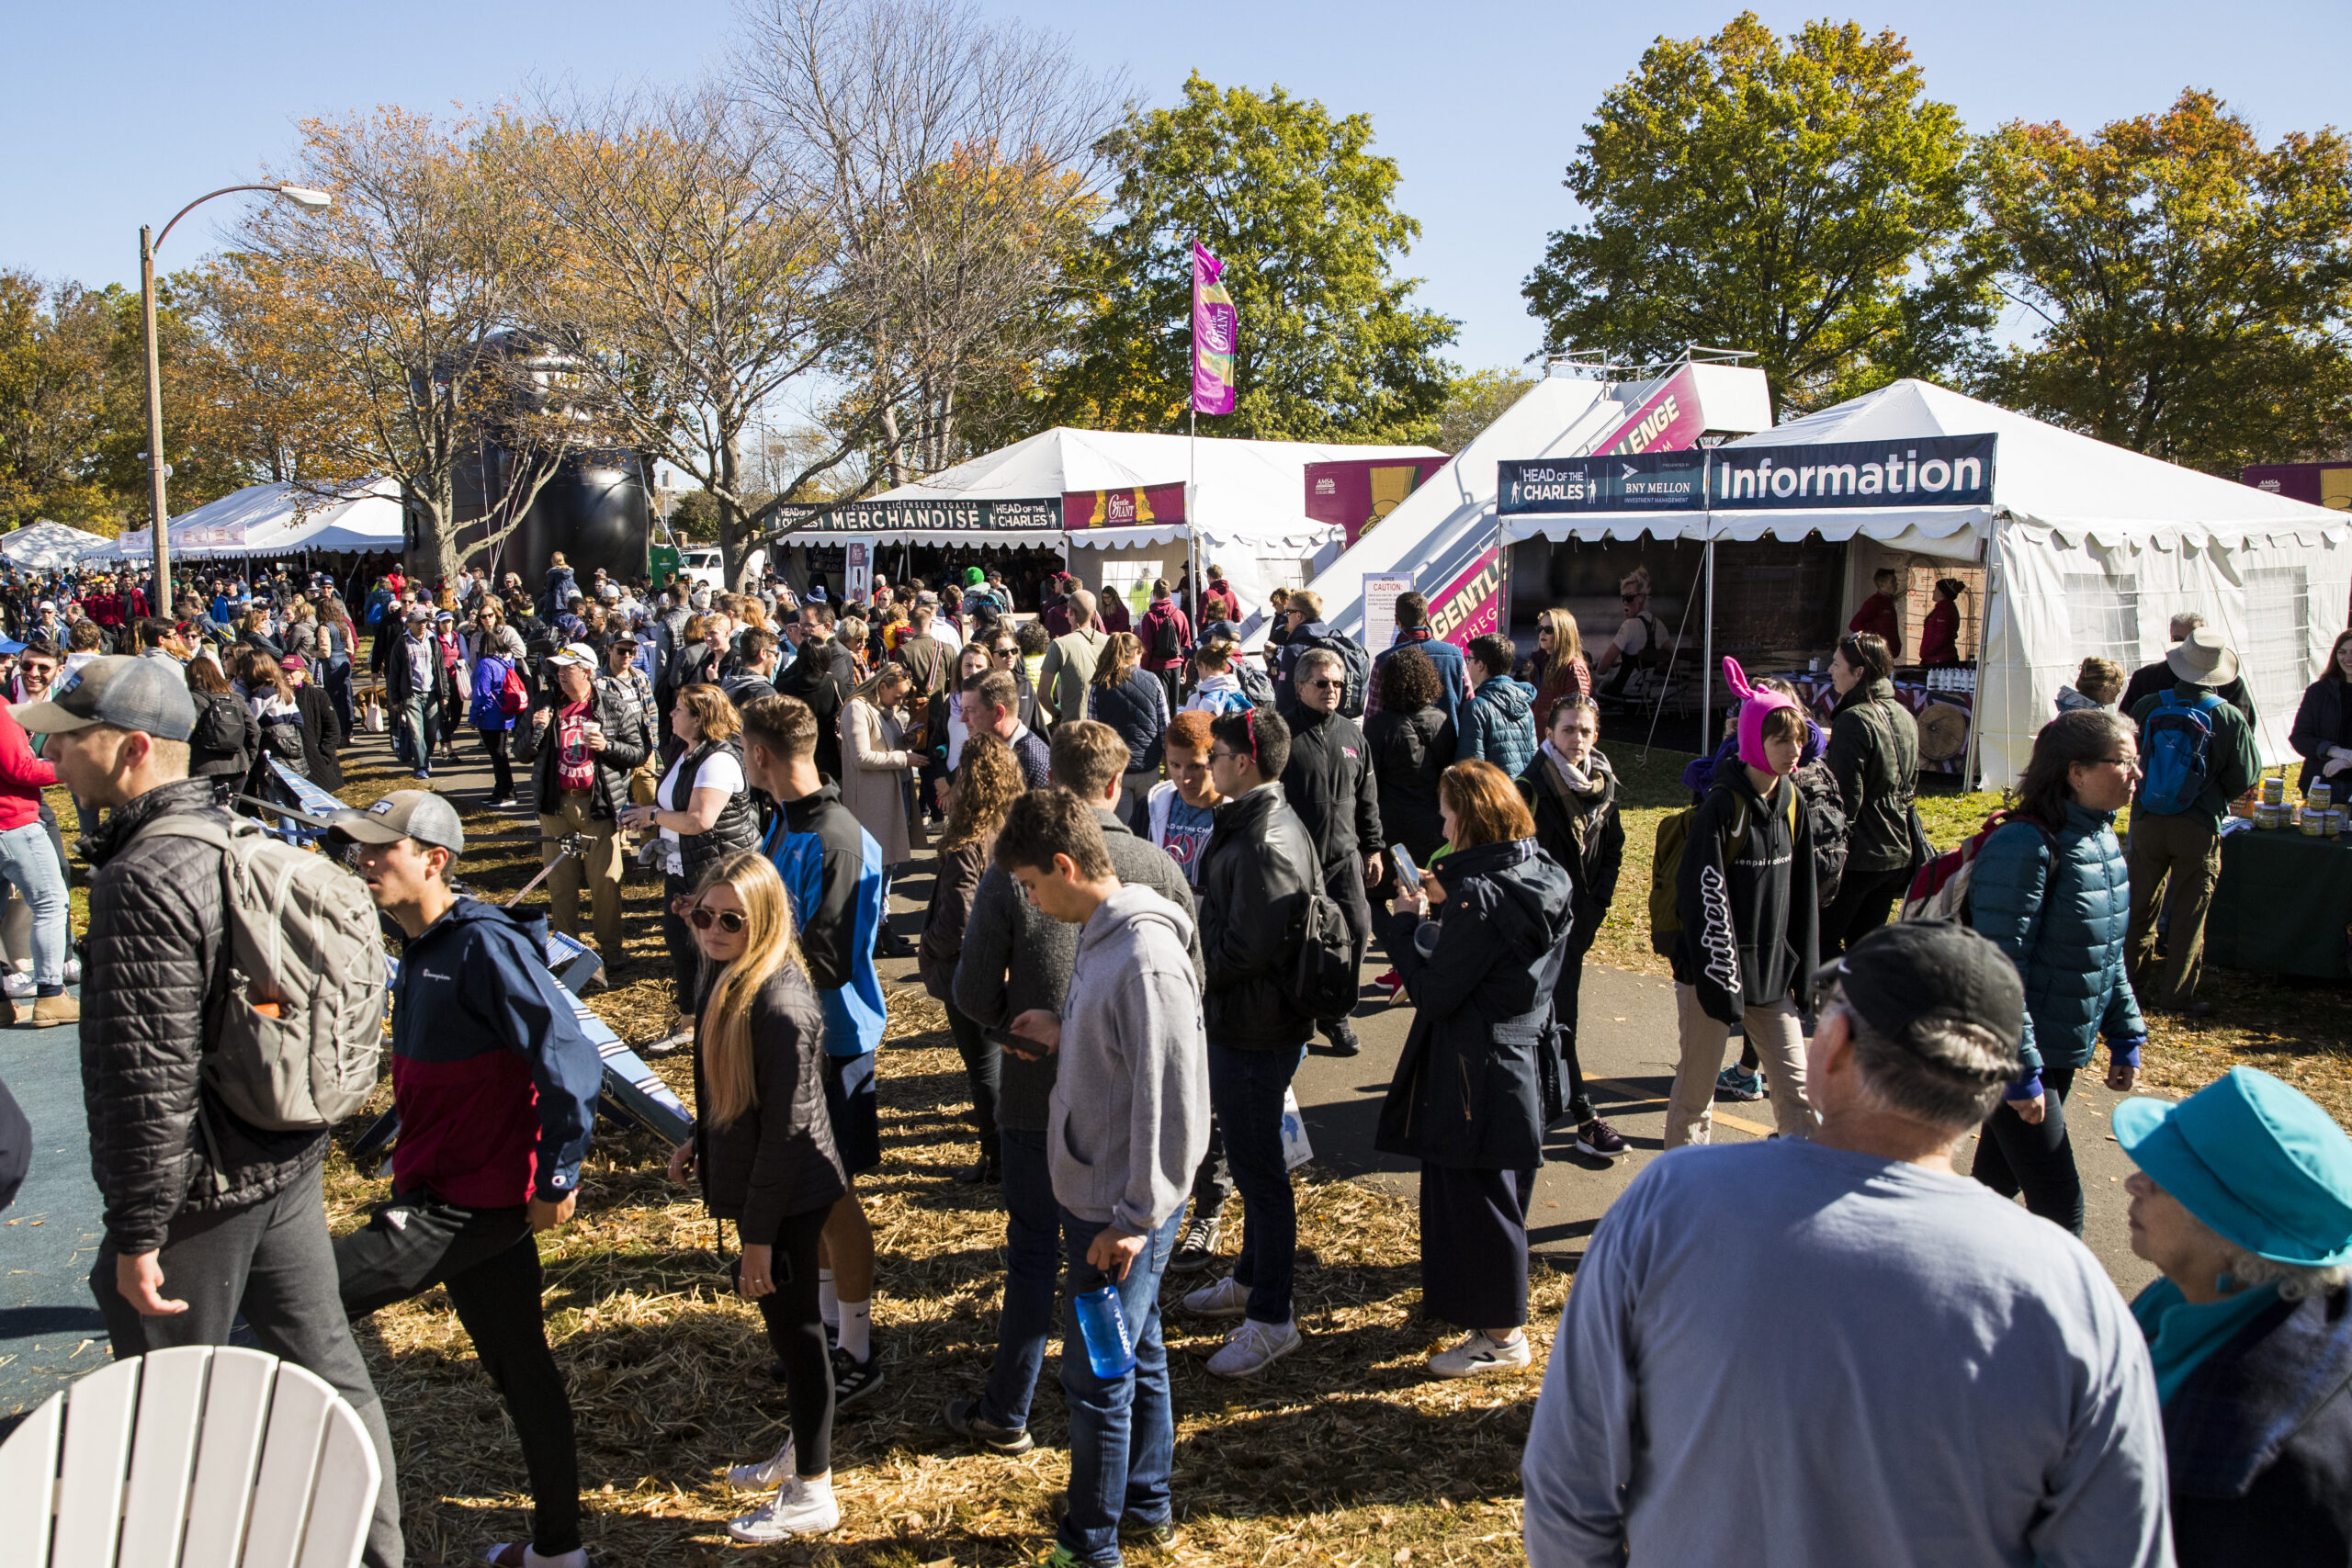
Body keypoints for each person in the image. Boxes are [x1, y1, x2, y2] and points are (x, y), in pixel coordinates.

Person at [1522, 919, 2170, 1568]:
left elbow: (1568, 1483)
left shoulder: (1671, 1205)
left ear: (1835, 1045)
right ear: (1991, 1088)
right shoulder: (2073, 1291)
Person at [37, 657, 402, 1567]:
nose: (50, 755)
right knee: (332, 1377)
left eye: (67, 739)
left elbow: (147, 1072)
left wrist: (137, 1227)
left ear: (130, 751)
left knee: (170, 1414)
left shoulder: (145, 875)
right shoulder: (224, 830)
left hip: (206, 1175)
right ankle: (381, 1552)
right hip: (281, 1151)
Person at [330, 793, 600, 1568]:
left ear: (435, 859)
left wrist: (558, 1172)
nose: (364, 860)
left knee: (297, 1294)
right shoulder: (418, 943)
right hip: (450, 1190)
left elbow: (570, 1060)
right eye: (360, 848)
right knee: (523, 1369)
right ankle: (559, 1551)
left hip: (468, 1204)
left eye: (382, 848)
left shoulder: (481, 945)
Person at [946, 723, 1204, 1454]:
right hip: (1128, 1130)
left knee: (1035, 1255)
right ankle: (1142, 1482)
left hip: (1044, 1109)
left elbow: (970, 988)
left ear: (1054, 782)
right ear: (1118, 783)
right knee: (1127, 1303)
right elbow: (1194, 994)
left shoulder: (1020, 869)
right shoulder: (1158, 865)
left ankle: (1011, 1408)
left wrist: (1016, 1030)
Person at [989, 789, 1205, 1564]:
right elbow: (1122, 1050)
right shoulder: (1102, 931)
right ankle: (1145, 1498)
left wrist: (1135, 1216)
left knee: (1097, 1376)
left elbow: (1174, 1098)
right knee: (1136, 1345)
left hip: (1116, 1209)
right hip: (1104, 1193)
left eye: (1032, 885)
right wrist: (1064, 1029)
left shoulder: (1144, 957)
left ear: (1067, 865)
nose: (1031, 902)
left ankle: (1091, 1541)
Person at [664, 850, 851, 1544]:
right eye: (702, 915)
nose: (711, 930)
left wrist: (759, 1239)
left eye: (729, 920)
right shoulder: (732, 975)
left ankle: (814, 1490)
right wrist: (699, 1139)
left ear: (764, 919)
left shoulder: (780, 1004)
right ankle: (805, 1448)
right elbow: (730, 1092)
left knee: (800, 1338)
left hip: (789, 1193)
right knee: (787, 1332)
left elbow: (786, 1132)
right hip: (765, 1182)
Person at [2116, 1066, 2352, 1564]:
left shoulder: (2266, 1467)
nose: (2134, 1182)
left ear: (2232, 1235)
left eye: (2163, 1179)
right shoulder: (2183, 1297)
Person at [1382, 760, 1573, 1377]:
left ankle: (1502, 1334)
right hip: (1524, 1056)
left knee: (1483, 1205)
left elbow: (1438, 992)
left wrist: (1407, 922)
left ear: (1470, 818)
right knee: (1502, 1195)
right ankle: (1488, 1317)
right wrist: (1449, 897)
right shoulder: (1540, 871)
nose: (1440, 821)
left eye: (1447, 813)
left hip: (1476, 1068)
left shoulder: (1480, 900)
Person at [738, 694, 888, 1408]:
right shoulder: (787, 822)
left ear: (761, 754)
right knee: (811, 1195)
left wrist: (746, 948)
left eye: (745, 749)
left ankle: (859, 1347)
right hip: (792, 1033)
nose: (744, 760)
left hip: (833, 1040)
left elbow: (824, 957)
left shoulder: (834, 836)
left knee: (834, 1196)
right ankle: (831, 1329)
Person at [1966, 708, 2147, 1235]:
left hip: (2057, 1049)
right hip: (2014, 1055)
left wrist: (2124, 1032)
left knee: (1991, 1192)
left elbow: (2102, 952)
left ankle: (1939, 1287)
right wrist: (2020, 1069)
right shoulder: (2023, 846)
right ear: (2075, 772)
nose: (2136, 775)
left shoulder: (2101, 839)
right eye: (2124, 763)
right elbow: (2000, 969)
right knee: (2060, 1206)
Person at [1182, 706, 1320, 1377]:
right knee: (1249, 1158)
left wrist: (1190, 957)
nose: (1206, 767)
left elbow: (1249, 945)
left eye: (1216, 756)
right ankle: (1249, 1276)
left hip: (1255, 1026)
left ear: (1245, 761)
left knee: (1262, 1174)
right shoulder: (1258, 819)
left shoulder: (1267, 837)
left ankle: (1272, 1317)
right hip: (1249, 1020)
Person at [1665, 663, 1818, 1146]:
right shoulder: (1721, 808)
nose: (1794, 752)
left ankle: (1800, 1193)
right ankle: (1681, 1201)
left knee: (1800, 1093)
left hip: (1770, 979)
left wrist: (1804, 974)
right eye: (1780, 741)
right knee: (1696, 1098)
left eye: (1797, 740)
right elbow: (1702, 900)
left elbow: (1803, 894)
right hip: (1710, 978)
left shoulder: (1793, 801)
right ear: (1754, 742)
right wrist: (1721, 983)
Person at [2125, 627, 2260, 1018]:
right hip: (2198, 823)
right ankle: (2176, 996)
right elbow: (2245, 777)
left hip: (2147, 816)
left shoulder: (2148, 704)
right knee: (2188, 910)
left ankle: (2127, 987)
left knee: (2139, 905)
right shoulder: (2228, 716)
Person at [1517, 694, 1628, 1157]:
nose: (1576, 739)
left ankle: (1542, 1105)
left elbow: (1614, 849)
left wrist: (1596, 907)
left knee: (1560, 1020)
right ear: (1549, 733)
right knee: (1553, 1020)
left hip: (1578, 928)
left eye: (1584, 731)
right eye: (1568, 730)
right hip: (1539, 931)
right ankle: (1583, 1114)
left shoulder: (1603, 785)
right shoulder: (1530, 787)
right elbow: (1519, 862)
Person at [620, 684, 760, 1051]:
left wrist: (651, 815)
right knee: (682, 945)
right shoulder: (688, 753)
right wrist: (652, 825)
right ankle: (690, 1024)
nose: (671, 714)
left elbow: (700, 819)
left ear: (699, 720)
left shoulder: (719, 760)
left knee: (716, 952)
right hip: (683, 866)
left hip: (716, 870)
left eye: (679, 710)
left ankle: (727, 1030)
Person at [1144, 711, 1231, 1271]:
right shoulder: (1158, 802)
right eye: (1175, 767)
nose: (1185, 779)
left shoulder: (1232, 812)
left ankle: (1211, 1209)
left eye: (1196, 768)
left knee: (1214, 1089)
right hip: (1171, 955)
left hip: (1218, 961)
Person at [920, 733, 1021, 1182]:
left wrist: (929, 947)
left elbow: (959, 917)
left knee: (985, 1072)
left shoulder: (968, 843)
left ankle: (998, 1160)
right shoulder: (1017, 831)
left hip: (971, 972)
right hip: (1009, 967)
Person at [514, 642, 653, 964]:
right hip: (555, 806)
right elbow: (521, 753)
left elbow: (638, 752)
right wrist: (537, 730)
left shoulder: (613, 706)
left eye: (567, 668)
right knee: (560, 885)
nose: (559, 674)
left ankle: (612, 952)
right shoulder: (545, 703)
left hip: (598, 807)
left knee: (604, 884)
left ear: (587, 671)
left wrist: (606, 746)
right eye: (558, 669)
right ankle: (566, 952)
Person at [1278, 647, 1381, 1056]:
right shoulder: (1283, 734)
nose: (1332, 690)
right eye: (1322, 683)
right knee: (1296, 941)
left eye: (1338, 683)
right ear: (1301, 686)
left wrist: (1373, 848)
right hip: (1296, 862)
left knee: (1356, 931)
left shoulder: (1353, 735)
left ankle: (1337, 1015)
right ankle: (1296, 1012)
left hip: (1344, 857)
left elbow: (1367, 796)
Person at [1819, 631, 1920, 955]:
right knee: (1865, 947)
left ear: (1859, 672)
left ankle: (1830, 1005)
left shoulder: (1853, 719)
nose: (1831, 671)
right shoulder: (1904, 715)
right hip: (1896, 849)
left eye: (1836, 664)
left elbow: (1845, 798)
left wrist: (1830, 848)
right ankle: (1863, 1004)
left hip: (1860, 854)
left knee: (1821, 941)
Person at [1364, 643, 1454, 897]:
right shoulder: (1442, 720)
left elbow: (1370, 782)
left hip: (1392, 825)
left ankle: (1396, 936)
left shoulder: (1378, 725)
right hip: (1435, 823)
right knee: (1430, 894)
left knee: (1378, 895)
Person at [0, 697, 69, 1024]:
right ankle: (52, 994)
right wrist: (69, 769)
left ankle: (2, 1003)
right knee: (51, 902)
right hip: (12, 821)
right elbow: (18, 767)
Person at [1089, 630, 1169, 830]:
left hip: (1117, 770)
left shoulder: (1099, 684)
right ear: (1134, 653)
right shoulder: (1153, 680)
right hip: (1148, 766)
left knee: (1123, 830)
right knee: (1149, 829)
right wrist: (1167, 763)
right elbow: (1165, 726)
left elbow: (1094, 730)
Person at [2120, 610, 2258, 725]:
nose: (2185, 645)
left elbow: (2243, 728)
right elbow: (2125, 725)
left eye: (2191, 639)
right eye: (2178, 639)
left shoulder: (2229, 684)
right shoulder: (2145, 678)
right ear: (2170, 638)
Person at [775, 604, 857, 781]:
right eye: (800, 624)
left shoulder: (837, 654)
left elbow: (832, 692)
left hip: (824, 751)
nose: (802, 629)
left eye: (808, 625)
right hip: (806, 753)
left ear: (826, 627)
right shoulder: (808, 654)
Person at [1366, 591, 1469, 730]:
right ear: (1427, 617)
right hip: (1449, 745)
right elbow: (1469, 708)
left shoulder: (1383, 661)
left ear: (1396, 620)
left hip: (1400, 746)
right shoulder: (1456, 656)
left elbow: (1372, 717)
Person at [1455, 633, 1536, 779]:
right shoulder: (1525, 705)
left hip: (1492, 797)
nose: (1467, 664)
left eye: (1469, 659)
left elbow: (1470, 769)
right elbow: (1534, 759)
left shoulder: (1476, 708)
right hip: (1520, 797)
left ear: (1480, 665)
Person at [959, 667, 1050, 788]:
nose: (962, 718)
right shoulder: (984, 747)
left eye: (970, 710)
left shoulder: (1036, 765)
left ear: (998, 713)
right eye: (962, 709)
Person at [2290, 627, 2352, 795]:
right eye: (2342, 652)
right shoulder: (2318, 692)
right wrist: (2333, 751)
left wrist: (2349, 760)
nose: (2347, 658)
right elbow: (2299, 738)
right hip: (2322, 784)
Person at [471, 625, 526, 807]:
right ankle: (499, 790)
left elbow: (481, 693)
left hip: (489, 717)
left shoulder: (486, 664)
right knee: (500, 754)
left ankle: (508, 792)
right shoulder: (505, 662)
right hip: (504, 714)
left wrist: (474, 716)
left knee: (498, 756)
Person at [1038, 588, 1108, 727]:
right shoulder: (1110, 642)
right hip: (1105, 727)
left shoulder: (1059, 645)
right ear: (1094, 614)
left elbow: (1042, 694)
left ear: (1069, 612)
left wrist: (1057, 715)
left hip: (1073, 728)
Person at [1589, 570, 1661, 699]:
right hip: (1645, 694)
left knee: (1602, 685)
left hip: (1625, 692)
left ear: (1642, 598)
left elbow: (1601, 670)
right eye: (1623, 599)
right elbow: (1672, 660)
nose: (1625, 604)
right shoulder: (1658, 626)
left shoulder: (1629, 626)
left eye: (1629, 598)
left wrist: (1599, 665)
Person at [279, 654, 343, 792]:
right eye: (283, 672)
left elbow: (333, 728)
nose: (287, 676)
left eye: (291, 672)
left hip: (317, 761)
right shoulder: (276, 697)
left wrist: (325, 754)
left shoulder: (318, 695)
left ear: (302, 673)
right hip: (291, 762)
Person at [1518, 607, 1590, 720]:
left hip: (1557, 736)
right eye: (1540, 628)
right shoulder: (1539, 665)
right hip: (1539, 736)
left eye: (1548, 629)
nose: (1542, 633)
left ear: (1563, 634)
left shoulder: (1573, 668)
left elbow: (1577, 715)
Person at [1136, 578, 1192, 711]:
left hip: (1157, 667)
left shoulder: (1149, 617)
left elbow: (1147, 648)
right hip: (1176, 666)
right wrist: (1184, 669)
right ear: (1169, 594)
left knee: (1158, 708)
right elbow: (1186, 645)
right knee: (1173, 707)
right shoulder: (1180, 615)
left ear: (1153, 594)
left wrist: (1145, 670)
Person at [1847, 566, 1904, 652]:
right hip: (1878, 652)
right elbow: (1854, 625)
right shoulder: (1874, 602)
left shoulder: (1888, 603)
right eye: (1893, 581)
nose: (1896, 584)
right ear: (1882, 584)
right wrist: (1874, 639)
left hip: (1888, 652)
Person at [2055, 654, 2125, 716]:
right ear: (2105, 689)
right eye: (2120, 684)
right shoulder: (2093, 719)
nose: (2120, 689)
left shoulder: (2070, 707)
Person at [1918, 576, 1964, 666]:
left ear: (1941, 592)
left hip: (1940, 660)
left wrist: (1927, 652)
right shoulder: (1943, 608)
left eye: (1936, 589)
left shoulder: (1945, 610)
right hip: (1936, 658)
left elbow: (1941, 636)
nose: (1933, 591)